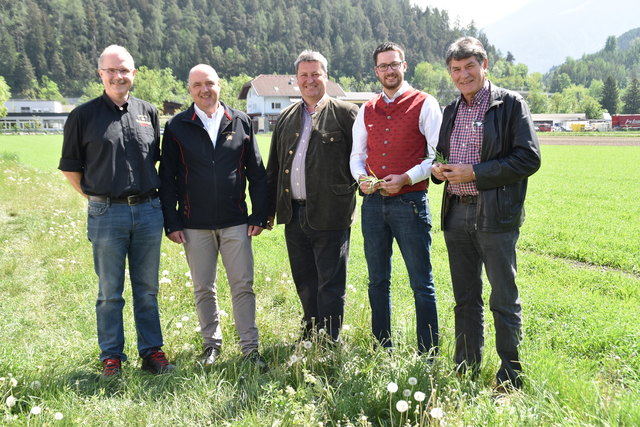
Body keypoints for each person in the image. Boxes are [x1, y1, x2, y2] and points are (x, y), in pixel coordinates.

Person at [431, 37, 541, 390]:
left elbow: (528, 158)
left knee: (503, 299)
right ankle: (465, 368)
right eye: (456, 70)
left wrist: (475, 172)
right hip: (456, 215)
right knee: (465, 298)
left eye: (469, 67)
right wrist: (439, 169)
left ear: (484, 64)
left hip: (495, 216)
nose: (463, 75)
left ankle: (510, 378)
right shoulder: (451, 110)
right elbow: (444, 156)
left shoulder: (509, 104)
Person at [59, 45, 174, 377]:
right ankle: (112, 356)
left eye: (124, 70)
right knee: (110, 291)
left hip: (149, 212)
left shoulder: (148, 112)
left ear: (133, 74)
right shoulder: (82, 116)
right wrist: (98, 200)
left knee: (147, 289)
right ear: (101, 74)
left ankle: (152, 352)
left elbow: (155, 161)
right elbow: (70, 168)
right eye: (111, 70)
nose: (118, 76)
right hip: (107, 213)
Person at [159, 64, 268, 371]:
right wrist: (173, 221)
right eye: (197, 85)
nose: (204, 90)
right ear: (189, 89)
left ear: (220, 85)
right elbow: (167, 178)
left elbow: (256, 173)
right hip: (194, 224)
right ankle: (212, 345)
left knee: (242, 284)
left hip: (235, 221)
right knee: (203, 287)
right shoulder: (177, 125)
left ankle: (250, 349)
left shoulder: (240, 120)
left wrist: (259, 213)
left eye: (209, 83)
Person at [350, 42, 442, 355]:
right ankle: (382, 347)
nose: (389, 70)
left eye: (394, 64)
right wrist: (361, 178)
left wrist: (406, 178)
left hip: (410, 203)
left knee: (421, 282)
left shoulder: (426, 103)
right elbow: (357, 155)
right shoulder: (367, 108)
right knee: (377, 280)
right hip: (374, 205)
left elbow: (436, 156)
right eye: (383, 66)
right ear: (376, 71)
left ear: (405, 66)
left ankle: (427, 353)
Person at [266, 50, 358, 343]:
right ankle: (310, 333)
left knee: (330, 283)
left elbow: (361, 161)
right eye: (304, 75)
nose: (310, 80)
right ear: (296, 80)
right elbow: (274, 166)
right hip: (294, 213)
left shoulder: (346, 113)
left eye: (315, 74)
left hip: (331, 213)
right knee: (305, 279)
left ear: (326, 76)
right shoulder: (286, 117)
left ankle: (329, 341)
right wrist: (267, 211)